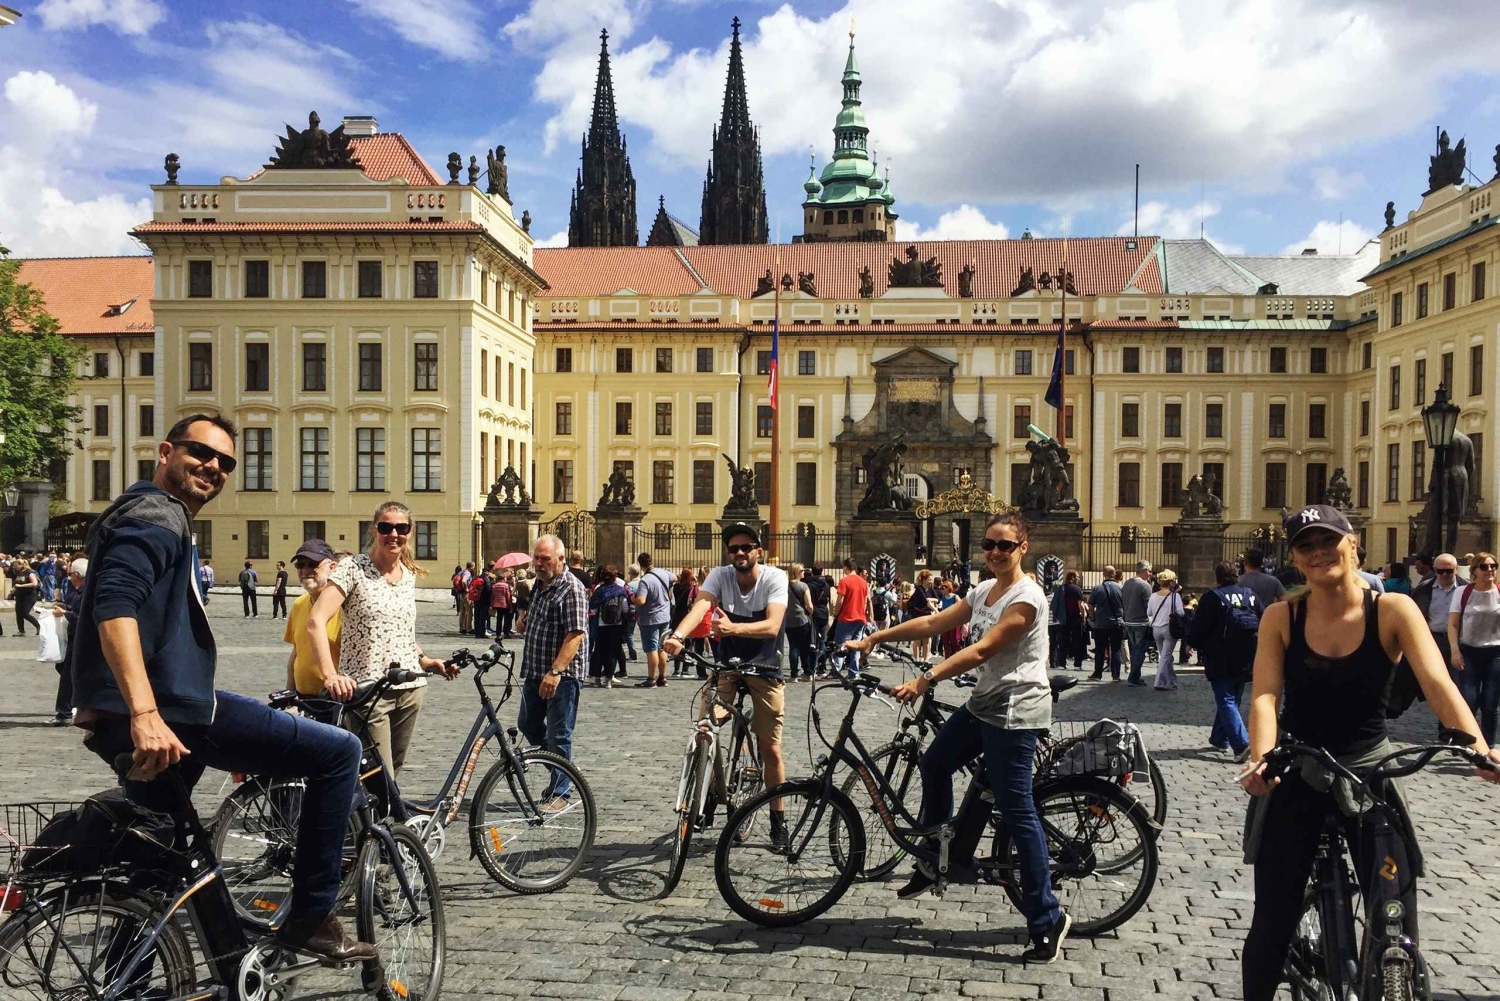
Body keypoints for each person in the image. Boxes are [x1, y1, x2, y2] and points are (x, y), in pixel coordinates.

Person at [70, 413, 372, 963]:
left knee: (167, 856)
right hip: (170, 717)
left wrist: (98, 701)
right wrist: (142, 712)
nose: (214, 467)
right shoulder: (156, 515)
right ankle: (310, 917)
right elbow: (114, 606)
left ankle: (130, 972)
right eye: (200, 453)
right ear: (165, 451)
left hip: (145, 714)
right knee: (338, 751)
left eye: (225, 462)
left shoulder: (148, 513)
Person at [1238, 504, 1500, 1001]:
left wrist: (1479, 747)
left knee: (1394, 915)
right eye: (1305, 546)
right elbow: (1266, 696)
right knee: (1272, 918)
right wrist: (1261, 757)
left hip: (1370, 775)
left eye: (1327, 542)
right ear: (1294, 558)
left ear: (1352, 543)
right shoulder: (1282, 616)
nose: (1318, 554)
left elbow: (1438, 683)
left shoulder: (1393, 611)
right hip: (1300, 770)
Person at [843, 512, 1071, 963]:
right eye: (989, 544)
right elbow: (934, 624)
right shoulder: (984, 590)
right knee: (934, 763)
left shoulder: (1027, 596)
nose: (995, 552)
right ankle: (936, 853)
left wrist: (927, 678)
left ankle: (1047, 918)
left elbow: (984, 649)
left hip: (1017, 710)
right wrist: (875, 637)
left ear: (1023, 547)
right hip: (985, 703)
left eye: (1005, 545)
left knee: (1015, 808)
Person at [306, 501, 456, 777]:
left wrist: (424, 660)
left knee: (392, 775)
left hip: (410, 687)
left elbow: (399, 631)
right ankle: (353, 819)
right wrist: (330, 676)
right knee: (377, 773)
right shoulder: (353, 568)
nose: (394, 534)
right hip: (367, 690)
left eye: (402, 528)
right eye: (386, 527)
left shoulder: (408, 575)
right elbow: (315, 622)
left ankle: (379, 820)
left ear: (410, 532)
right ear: (374, 531)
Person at [664, 522, 789, 843]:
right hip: (727, 666)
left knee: (770, 749)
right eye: (734, 548)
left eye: (746, 547)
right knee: (704, 728)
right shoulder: (720, 575)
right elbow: (702, 605)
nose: (740, 553)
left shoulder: (775, 578)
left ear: (758, 551)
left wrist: (733, 629)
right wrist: (678, 635)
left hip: (765, 666)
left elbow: (773, 625)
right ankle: (702, 796)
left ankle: (778, 820)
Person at [517, 534, 587, 805]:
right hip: (535, 670)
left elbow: (575, 634)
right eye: (536, 557)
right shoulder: (540, 584)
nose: (538, 563)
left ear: (561, 559)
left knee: (559, 733)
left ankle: (561, 791)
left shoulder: (571, 588)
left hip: (562, 676)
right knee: (527, 724)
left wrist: (556, 672)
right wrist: (525, 621)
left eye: (544, 558)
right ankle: (566, 772)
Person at [1189, 561, 1264, 761]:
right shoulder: (1250, 596)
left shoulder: (1213, 597)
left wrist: (1191, 643)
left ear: (1218, 577)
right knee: (1233, 699)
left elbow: (1199, 627)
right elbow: (1263, 620)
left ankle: (1241, 744)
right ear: (1237, 575)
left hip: (1219, 657)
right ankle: (1219, 738)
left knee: (1226, 700)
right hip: (1247, 656)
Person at [1448, 551, 1500, 744]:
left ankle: (1488, 746)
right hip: (1469, 651)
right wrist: (1455, 650)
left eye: (1493, 566)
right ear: (1475, 570)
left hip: (1495, 653)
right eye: (1485, 566)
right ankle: (1467, 742)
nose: (1490, 570)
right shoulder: (1463, 593)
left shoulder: (1499, 592)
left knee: (1490, 703)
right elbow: (1453, 624)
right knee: (1469, 700)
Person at [283, 540, 341, 696]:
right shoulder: (299, 604)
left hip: (338, 699)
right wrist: (289, 694)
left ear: (332, 567)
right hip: (304, 700)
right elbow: (297, 653)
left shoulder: (346, 607)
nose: (305, 570)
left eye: (313, 564)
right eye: (300, 565)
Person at [47, 557, 86, 726]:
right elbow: (74, 609)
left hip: (81, 640)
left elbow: (83, 618)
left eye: (70, 574)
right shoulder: (79, 591)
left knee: (68, 676)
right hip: (73, 638)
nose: (69, 577)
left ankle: (64, 712)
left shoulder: (87, 592)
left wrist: (65, 613)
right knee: (65, 669)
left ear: (76, 574)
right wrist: (64, 608)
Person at [1414, 553, 1461, 679]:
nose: (1444, 574)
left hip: (1459, 641)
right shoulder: (1424, 589)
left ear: (1457, 569)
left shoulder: (1465, 589)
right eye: (1440, 571)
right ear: (1435, 570)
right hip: (1433, 639)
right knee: (1435, 678)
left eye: (1449, 571)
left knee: (1458, 680)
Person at [633, 552, 675, 688]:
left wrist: (631, 598)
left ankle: (651, 679)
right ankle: (662, 677)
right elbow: (674, 578)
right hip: (665, 616)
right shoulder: (663, 572)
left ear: (641, 565)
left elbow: (641, 600)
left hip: (650, 619)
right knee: (662, 648)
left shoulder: (645, 580)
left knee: (651, 649)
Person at [588, 565, 629, 688]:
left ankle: (596, 679)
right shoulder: (620, 590)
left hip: (601, 625)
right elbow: (626, 609)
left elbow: (593, 610)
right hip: (616, 625)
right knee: (612, 653)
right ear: (614, 577)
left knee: (599, 651)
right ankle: (609, 681)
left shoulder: (599, 590)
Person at [830, 557, 871, 676]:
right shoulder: (864, 582)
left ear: (846, 567)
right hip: (860, 618)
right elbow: (865, 601)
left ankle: (836, 670)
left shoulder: (844, 581)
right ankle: (854, 671)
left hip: (847, 617)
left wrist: (836, 613)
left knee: (840, 645)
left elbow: (840, 601)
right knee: (856, 646)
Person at [1147, 569, 1184, 691]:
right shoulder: (1175, 596)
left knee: (1164, 656)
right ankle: (1159, 682)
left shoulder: (1153, 596)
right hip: (1169, 628)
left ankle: (1172, 681)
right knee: (1166, 656)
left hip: (1156, 628)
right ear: (1171, 582)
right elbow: (1181, 613)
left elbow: (1149, 612)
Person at [1088, 566, 1125, 681]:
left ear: (1104, 574)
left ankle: (1098, 673)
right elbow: (1125, 605)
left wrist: (1093, 618)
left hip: (1101, 623)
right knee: (1116, 649)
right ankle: (1116, 675)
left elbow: (1090, 605)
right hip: (1116, 623)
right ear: (1114, 575)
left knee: (1099, 649)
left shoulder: (1097, 588)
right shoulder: (1121, 588)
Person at [1121, 561, 1154, 687]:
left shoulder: (1127, 583)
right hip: (1141, 622)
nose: (1150, 574)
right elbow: (1148, 607)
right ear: (1144, 570)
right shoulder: (1145, 586)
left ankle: (1135, 676)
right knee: (1139, 650)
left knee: (1134, 649)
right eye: (1150, 571)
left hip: (1128, 621)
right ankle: (1133, 677)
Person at [784, 563, 816, 681]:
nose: (804, 572)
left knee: (793, 646)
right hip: (802, 619)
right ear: (797, 572)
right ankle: (807, 671)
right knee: (804, 647)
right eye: (802, 570)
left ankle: (794, 674)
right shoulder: (803, 586)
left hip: (788, 620)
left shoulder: (784, 586)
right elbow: (809, 605)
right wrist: (811, 612)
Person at [669, 567, 697, 677]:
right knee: (689, 644)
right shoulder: (691, 587)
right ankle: (685, 670)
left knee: (677, 642)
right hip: (687, 616)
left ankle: (676, 670)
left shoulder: (676, 586)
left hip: (677, 616)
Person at [906, 569, 938, 661]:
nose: (931, 581)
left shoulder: (931, 589)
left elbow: (938, 599)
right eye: (930, 579)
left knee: (926, 639)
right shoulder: (919, 589)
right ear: (924, 580)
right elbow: (926, 601)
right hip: (917, 616)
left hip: (927, 616)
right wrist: (935, 609)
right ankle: (916, 658)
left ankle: (925, 659)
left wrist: (931, 599)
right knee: (917, 638)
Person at [11, 557, 39, 636]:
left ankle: (38, 626)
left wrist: (21, 585)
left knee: (24, 613)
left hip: (30, 595)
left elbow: (34, 583)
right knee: (18, 613)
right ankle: (21, 631)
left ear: (21, 565)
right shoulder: (19, 573)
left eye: (16, 566)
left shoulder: (30, 572)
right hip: (20, 595)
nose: (15, 567)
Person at [807, 565, 832, 649]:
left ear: (812, 572)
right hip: (824, 612)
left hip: (813, 612)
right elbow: (828, 599)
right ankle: (822, 660)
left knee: (812, 638)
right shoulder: (827, 585)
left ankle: (813, 659)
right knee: (822, 638)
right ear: (822, 571)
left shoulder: (809, 584)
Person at [492, 569, 515, 639]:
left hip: (497, 604)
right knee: (506, 619)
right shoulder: (506, 585)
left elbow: (492, 596)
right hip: (505, 604)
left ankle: (498, 633)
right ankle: (506, 632)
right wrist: (510, 605)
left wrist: (492, 604)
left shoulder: (494, 585)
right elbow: (508, 596)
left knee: (499, 619)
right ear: (503, 578)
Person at [455, 562, 474, 634]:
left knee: (462, 611)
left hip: (460, 593)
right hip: (466, 594)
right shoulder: (467, 573)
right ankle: (468, 627)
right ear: (471, 567)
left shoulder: (461, 572)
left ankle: (462, 627)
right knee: (469, 611)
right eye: (473, 567)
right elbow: (463, 581)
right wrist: (466, 588)